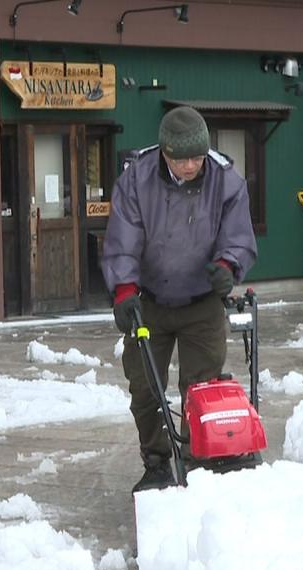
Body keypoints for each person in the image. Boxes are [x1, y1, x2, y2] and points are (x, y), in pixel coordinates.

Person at [101, 106, 258, 493]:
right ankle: (155, 462)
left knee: (200, 387)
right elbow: (124, 238)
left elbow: (239, 236)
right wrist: (123, 290)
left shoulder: (226, 181)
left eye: (197, 158)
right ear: (165, 153)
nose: (190, 166)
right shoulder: (137, 177)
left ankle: (196, 462)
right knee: (144, 385)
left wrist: (228, 264)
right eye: (182, 159)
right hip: (149, 301)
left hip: (201, 302)